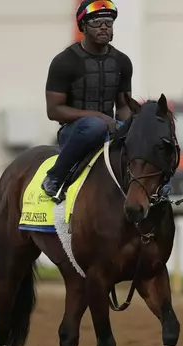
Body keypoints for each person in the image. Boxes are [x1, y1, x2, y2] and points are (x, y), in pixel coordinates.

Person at [42, 0, 140, 200]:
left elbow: (123, 106)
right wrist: (98, 117)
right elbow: (54, 111)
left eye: (108, 22)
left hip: (110, 129)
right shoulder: (64, 62)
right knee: (95, 126)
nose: (104, 26)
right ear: (83, 26)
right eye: (96, 22)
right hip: (74, 132)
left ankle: (157, 193)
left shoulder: (122, 62)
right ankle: (55, 177)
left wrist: (132, 129)